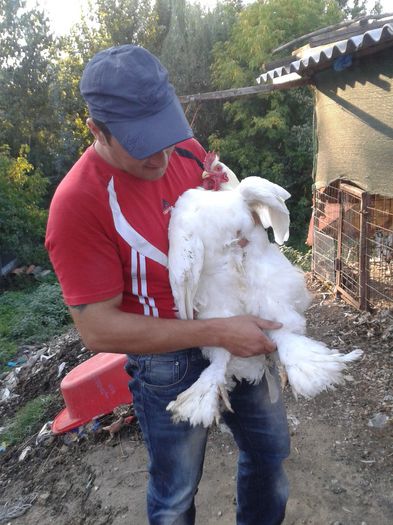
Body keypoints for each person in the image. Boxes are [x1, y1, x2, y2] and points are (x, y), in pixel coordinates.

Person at [46, 44, 290, 525]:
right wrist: (220, 333)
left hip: (234, 323)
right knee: (175, 493)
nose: (161, 155)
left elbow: (226, 220)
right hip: (167, 362)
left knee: (270, 454)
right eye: (141, 143)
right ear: (97, 129)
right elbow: (98, 330)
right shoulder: (77, 204)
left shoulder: (186, 150)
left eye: (166, 133)